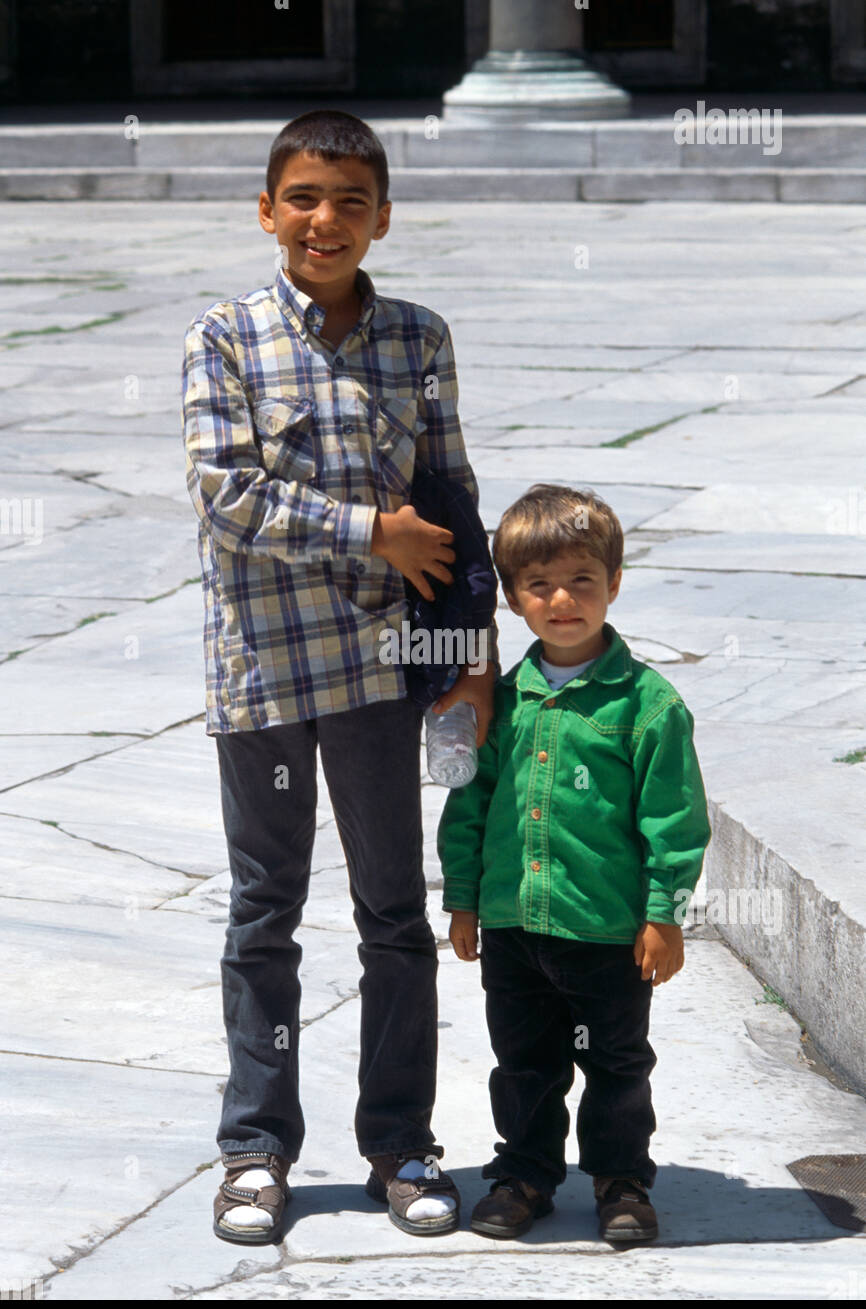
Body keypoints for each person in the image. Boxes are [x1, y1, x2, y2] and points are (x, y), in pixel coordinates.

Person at [182, 109, 499, 1244]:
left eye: (350, 201)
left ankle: (400, 1143)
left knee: (392, 915)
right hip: (262, 674)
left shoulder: (418, 337)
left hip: (378, 671)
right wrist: (372, 532)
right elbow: (228, 497)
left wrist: (474, 651)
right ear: (267, 211)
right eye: (304, 198)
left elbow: (453, 498)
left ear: (380, 217)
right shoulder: (223, 338)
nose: (326, 220)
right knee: (264, 913)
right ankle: (256, 1148)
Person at [437, 484, 711, 1243]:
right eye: (539, 585)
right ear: (516, 600)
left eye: (582, 581)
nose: (563, 599)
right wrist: (464, 898)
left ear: (613, 584)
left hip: (607, 935)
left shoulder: (648, 707)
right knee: (524, 1064)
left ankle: (622, 1182)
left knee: (618, 1066)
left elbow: (676, 822)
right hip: (515, 929)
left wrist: (664, 915)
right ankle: (524, 1174)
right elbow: (470, 802)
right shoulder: (504, 701)